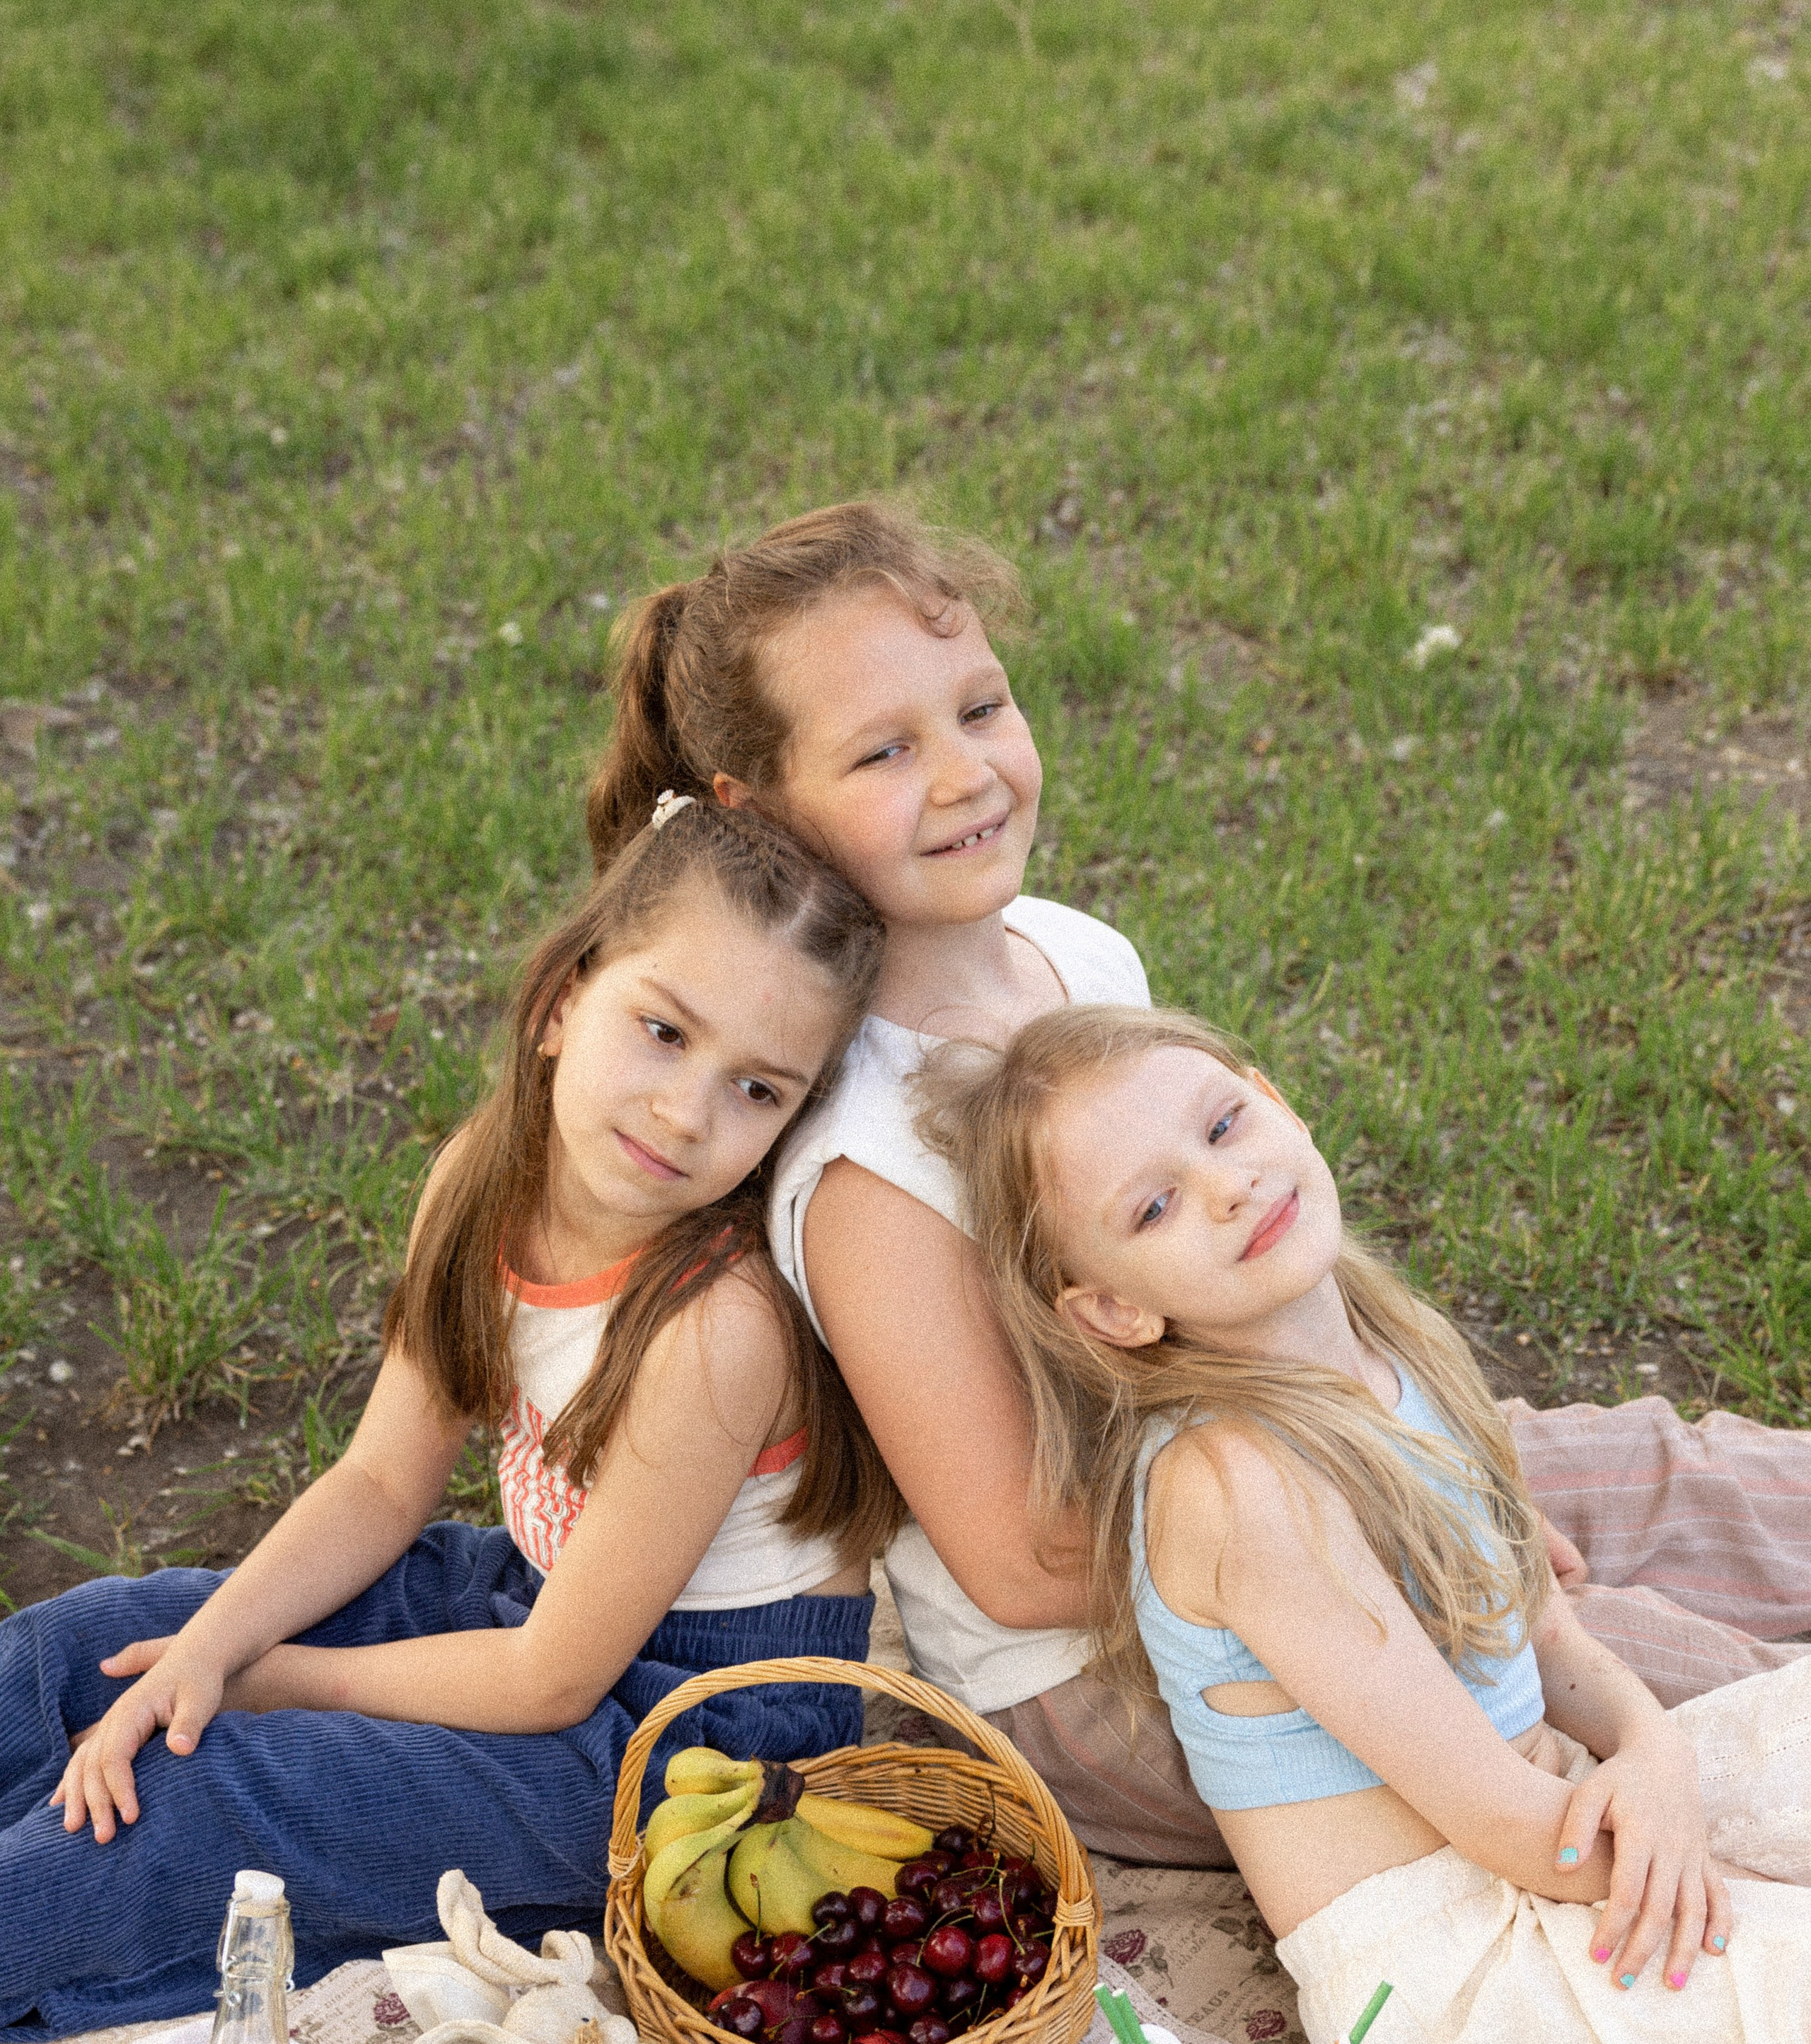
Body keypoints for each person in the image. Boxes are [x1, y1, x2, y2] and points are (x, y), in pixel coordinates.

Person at [584, 497, 1811, 1866]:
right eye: (883, 750)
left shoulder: (1067, 953)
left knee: (1657, 1477)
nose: (963, 775)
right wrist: (1412, 1516)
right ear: (759, 811)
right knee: (1665, 1679)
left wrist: (1438, 1459)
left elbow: (1250, 1301)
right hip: (1125, 1653)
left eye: (979, 708)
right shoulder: (863, 1161)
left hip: (1295, 1440)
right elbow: (1018, 1557)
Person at [0, 801, 893, 2036]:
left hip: (683, 1745)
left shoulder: (712, 1331)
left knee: (221, 1793)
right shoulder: (484, 1183)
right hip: (534, 1598)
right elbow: (378, 1484)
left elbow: (548, 1682)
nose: (688, 1113)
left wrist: (270, 1683)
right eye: (663, 1030)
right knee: (100, 1640)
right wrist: (209, 1644)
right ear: (560, 1004)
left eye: (755, 1087)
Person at [920, 1001, 1811, 2044]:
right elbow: (1502, 1827)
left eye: (1225, 1125)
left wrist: (1653, 1749)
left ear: (1275, 1096)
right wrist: (1695, 1858)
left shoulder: (1400, 1341)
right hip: (1455, 1961)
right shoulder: (1237, 1485)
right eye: (1155, 1205)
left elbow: (1549, 1633)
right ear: (1115, 1310)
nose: (1228, 1186)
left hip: (1544, 1806)